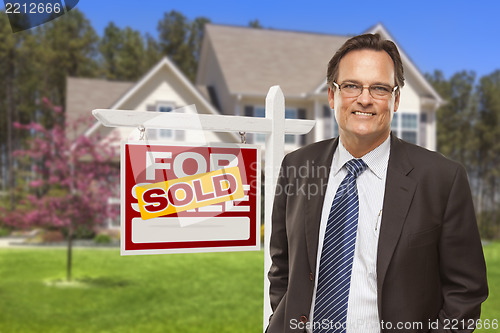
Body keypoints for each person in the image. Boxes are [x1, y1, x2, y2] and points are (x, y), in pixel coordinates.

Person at [267, 33, 488, 333]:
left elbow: (465, 291)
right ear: (332, 95)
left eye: (380, 88)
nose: (365, 99)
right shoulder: (297, 167)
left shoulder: (442, 179)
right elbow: (282, 269)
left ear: (396, 100)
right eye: (351, 86)